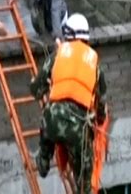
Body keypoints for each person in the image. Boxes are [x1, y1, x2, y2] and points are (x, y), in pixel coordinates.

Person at [29, 13, 109, 194]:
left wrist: (41, 84)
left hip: (52, 118)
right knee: (85, 183)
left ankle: (42, 163)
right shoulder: (94, 65)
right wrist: (100, 120)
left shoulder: (58, 55)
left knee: (47, 131)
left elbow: (36, 90)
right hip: (77, 129)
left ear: (67, 36)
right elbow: (101, 105)